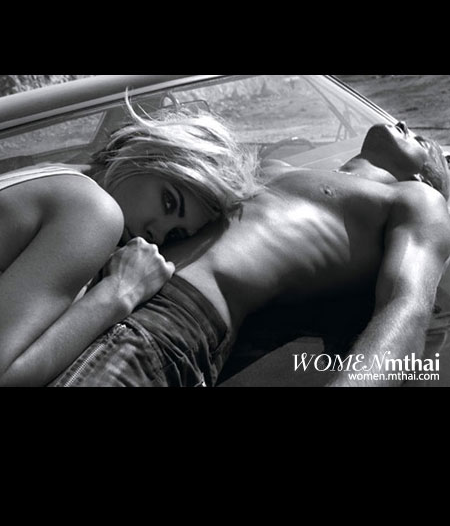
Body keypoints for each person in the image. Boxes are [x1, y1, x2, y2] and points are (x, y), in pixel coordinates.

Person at [43, 122, 450, 388]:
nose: (404, 125)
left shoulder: (415, 200)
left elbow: (406, 310)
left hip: (170, 323)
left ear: (422, 175)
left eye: (420, 140)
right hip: (101, 304)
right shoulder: (274, 168)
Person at [0, 96, 261, 387]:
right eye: (168, 202)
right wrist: (119, 291)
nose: (157, 234)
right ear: (147, 153)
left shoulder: (59, 173)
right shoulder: (94, 211)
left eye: (176, 234)